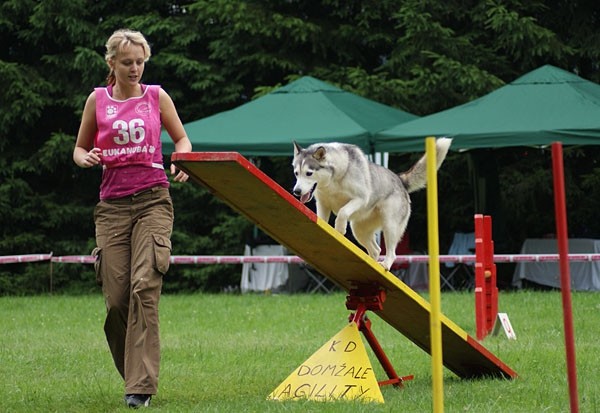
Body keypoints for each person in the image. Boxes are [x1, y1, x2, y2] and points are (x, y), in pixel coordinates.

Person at [73, 29, 192, 408]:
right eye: (128, 62)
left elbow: (183, 140)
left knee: (145, 286)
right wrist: (85, 157)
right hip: (111, 207)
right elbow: (78, 147)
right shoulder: (98, 100)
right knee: (117, 301)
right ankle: (134, 371)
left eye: (141, 61)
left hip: (154, 201)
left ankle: (139, 387)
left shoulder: (157, 97)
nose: (136, 68)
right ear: (112, 63)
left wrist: (181, 159)